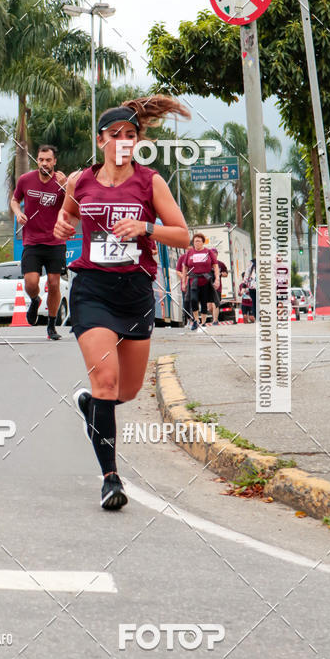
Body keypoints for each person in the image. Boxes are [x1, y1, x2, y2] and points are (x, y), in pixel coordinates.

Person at [54, 95, 190, 510]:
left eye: (131, 135)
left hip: (135, 292)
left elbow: (182, 234)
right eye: (115, 135)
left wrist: (146, 227)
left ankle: (92, 407)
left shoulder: (150, 182)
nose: (123, 141)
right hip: (92, 289)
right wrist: (63, 226)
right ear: (101, 141)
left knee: (125, 391)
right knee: (106, 383)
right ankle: (111, 479)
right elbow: (67, 217)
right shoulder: (80, 181)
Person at [10, 145, 68, 340]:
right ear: (37, 160)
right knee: (31, 282)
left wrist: (66, 187)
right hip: (32, 241)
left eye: (48, 160)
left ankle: (51, 326)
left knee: (54, 283)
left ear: (54, 162)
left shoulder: (62, 181)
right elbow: (14, 200)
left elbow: (73, 205)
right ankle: (35, 300)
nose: (44, 163)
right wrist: (18, 212)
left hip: (56, 241)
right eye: (41, 159)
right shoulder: (25, 180)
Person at [181, 233, 220, 331]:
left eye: (198, 241)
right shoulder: (189, 253)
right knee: (193, 299)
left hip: (205, 280)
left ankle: (203, 322)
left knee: (204, 301)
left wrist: (217, 279)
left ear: (203, 242)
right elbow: (185, 268)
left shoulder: (208, 252)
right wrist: (183, 282)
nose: (196, 243)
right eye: (195, 241)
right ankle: (196, 320)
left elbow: (215, 266)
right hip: (193, 280)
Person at [209, 247, 228, 326]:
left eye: (215, 253)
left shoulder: (220, 264)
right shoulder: (207, 264)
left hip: (217, 287)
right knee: (210, 307)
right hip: (208, 286)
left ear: (217, 254)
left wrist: (220, 274)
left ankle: (215, 320)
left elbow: (226, 274)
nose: (213, 255)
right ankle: (214, 317)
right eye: (212, 254)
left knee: (215, 304)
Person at [175, 251, 190, 324]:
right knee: (186, 302)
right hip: (185, 285)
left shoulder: (195, 257)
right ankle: (187, 319)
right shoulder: (182, 257)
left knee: (194, 301)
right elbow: (178, 271)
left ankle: (193, 319)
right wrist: (184, 277)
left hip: (194, 284)